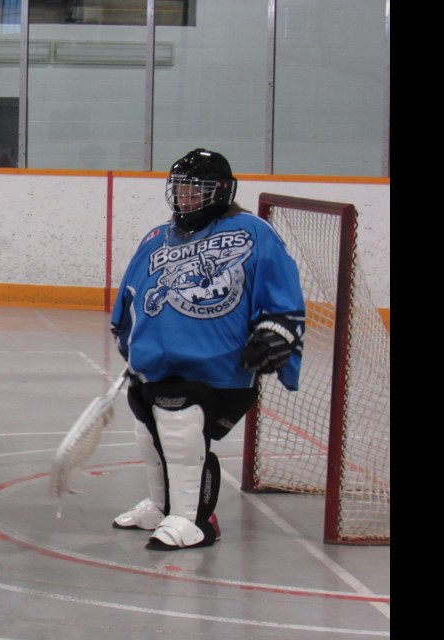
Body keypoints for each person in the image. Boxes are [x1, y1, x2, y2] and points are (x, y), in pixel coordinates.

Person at [109, 148, 305, 550]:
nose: (186, 198)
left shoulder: (253, 232)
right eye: (181, 189)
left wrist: (277, 333)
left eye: (196, 190)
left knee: (179, 420)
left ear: (220, 192)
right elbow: (131, 295)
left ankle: (192, 519)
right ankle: (163, 506)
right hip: (159, 366)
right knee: (147, 427)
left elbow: (282, 294)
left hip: (219, 371)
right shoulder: (156, 237)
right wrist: (130, 347)